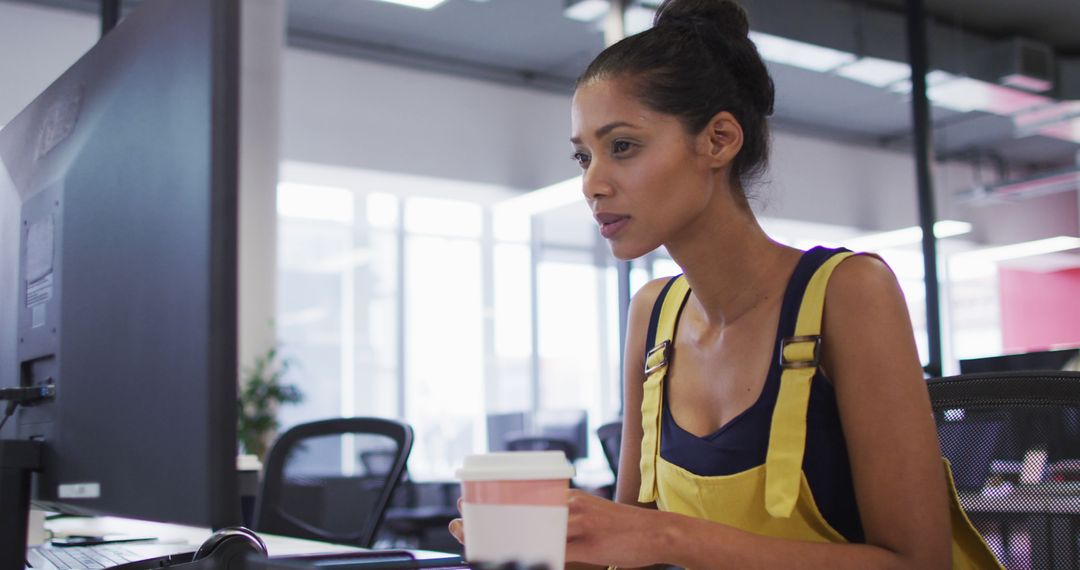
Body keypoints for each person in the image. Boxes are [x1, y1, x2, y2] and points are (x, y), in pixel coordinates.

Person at [452, 0, 1001, 568]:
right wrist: (543, 545)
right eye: (583, 157)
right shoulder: (653, 313)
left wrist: (669, 538)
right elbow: (630, 548)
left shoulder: (848, 292)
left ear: (718, 140)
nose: (592, 183)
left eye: (622, 147)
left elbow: (919, 563)